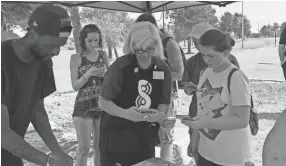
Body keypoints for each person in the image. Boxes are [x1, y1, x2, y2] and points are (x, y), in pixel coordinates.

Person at [1, 5, 73, 166]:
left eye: (61, 45)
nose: (56, 52)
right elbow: (2, 133)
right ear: (32, 34)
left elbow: (37, 110)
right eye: (52, 45)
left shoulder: (43, 62)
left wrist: (58, 152)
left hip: (10, 150)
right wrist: (48, 161)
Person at [98, 21, 172, 166]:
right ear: (131, 46)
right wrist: (126, 113)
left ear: (156, 45)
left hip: (145, 138)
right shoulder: (121, 66)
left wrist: (160, 116)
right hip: (116, 138)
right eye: (138, 50)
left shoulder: (163, 68)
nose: (144, 54)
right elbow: (103, 102)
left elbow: (164, 101)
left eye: (149, 49)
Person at [181, 29, 252, 166]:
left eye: (211, 56)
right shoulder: (204, 73)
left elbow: (242, 120)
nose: (206, 60)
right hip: (206, 151)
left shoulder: (236, 77)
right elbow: (201, 108)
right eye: (202, 55)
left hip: (230, 155)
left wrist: (205, 123)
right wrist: (195, 137)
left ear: (225, 53)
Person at [135, 13, 184, 162]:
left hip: (166, 97)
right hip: (145, 95)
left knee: (165, 137)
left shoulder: (169, 43)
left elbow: (179, 73)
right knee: (144, 135)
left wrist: (154, 75)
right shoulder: (141, 43)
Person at [70, 24, 109, 166]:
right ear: (83, 41)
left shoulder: (103, 55)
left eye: (96, 40)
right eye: (90, 41)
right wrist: (87, 74)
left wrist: (106, 75)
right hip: (83, 108)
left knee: (99, 147)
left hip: (101, 106)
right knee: (83, 149)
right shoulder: (76, 58)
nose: (94, 44)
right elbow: (75, 86)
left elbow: (110, 80)